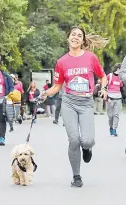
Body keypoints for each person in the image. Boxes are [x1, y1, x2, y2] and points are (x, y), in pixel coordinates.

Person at [38, 26, 108, 187]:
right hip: (69, 102)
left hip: (86, 103)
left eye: (79, 35)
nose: (76, 37)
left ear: (83, 40)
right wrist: (45, 94)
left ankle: (87, 148)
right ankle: (76, 176)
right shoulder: (61, 62)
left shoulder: (91, 58)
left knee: (87, 140)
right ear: (68, 38)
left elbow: (102, 76)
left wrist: (103, 88)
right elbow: (57, 86)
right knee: (74, 140)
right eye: (73, 35)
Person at [106, 63, 123, 136]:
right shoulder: (109, 76)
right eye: (121, 69)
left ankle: (114, 129)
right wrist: (107, 98)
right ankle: (111, 127)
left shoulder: (121, 77)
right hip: (110, 98)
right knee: (110, 116)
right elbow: (104, 87)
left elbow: (122, 87)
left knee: (116, 115)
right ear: (118, 69)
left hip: (118, 98)